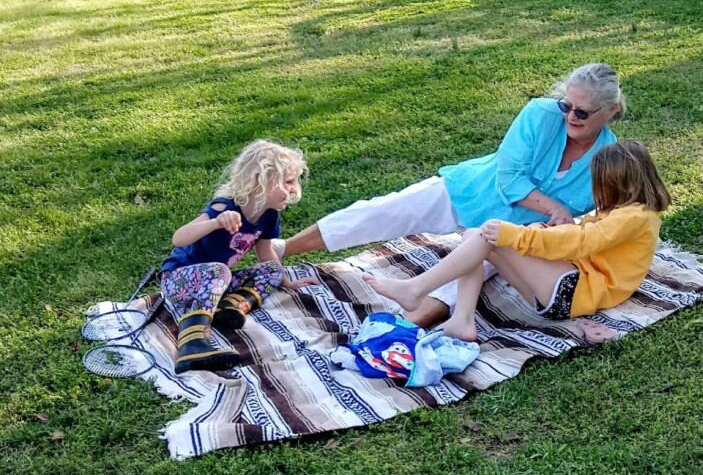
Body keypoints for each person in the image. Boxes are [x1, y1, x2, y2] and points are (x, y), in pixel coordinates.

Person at [279, 62, 626, 326]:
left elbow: (597, 218)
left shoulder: (608, 159)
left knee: (453, 291)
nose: (570, 116)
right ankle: (282, 249)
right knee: (381, 211)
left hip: (507, 237)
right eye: (566, 106)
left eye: (581, 112)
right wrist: (554, 209)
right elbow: (509, 177)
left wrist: (556, 229)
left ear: (610, 111)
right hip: (472, 191)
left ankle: (385, 336)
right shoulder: (539, 113)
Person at [363, 140, 670, 343]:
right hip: (568, 287)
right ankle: (462, 320)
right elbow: (581, 240)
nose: (596, 192)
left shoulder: (635, 216)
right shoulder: (626, 213)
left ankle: (416, 289)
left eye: (600, 185)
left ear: (616, 184)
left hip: (575, 292)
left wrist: (518, 235)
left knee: (491, 233)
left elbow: (581, 242)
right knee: (477, 234)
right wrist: (539, 231)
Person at [160, 139, 315, 374]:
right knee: (219, 271)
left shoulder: (269, 216)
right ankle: (192, 343)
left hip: (215, 284)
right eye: (288, 181)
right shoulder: (225, 207)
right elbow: (179, 238)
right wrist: (215, 222)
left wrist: (286, 282)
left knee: (272, 269)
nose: (293, 188)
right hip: (178, 282)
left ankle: (229, 308)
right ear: (259, 181)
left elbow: (266, 254)